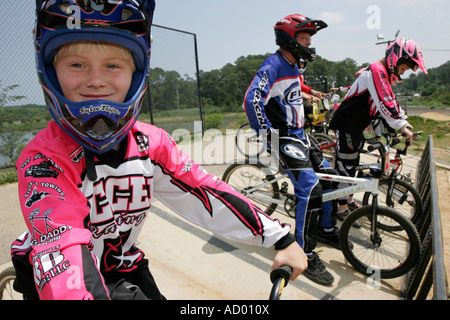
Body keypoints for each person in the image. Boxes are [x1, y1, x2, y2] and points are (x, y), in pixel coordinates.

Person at [10, 0, 307, 300]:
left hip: (121, 265)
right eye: (76, 64)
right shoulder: (43, 160)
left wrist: (279, 237)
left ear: (137, 72)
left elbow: (203, 189)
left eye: (113, 65)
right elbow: (62, 245)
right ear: (50, 70)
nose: (96, 80)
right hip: (59, 275)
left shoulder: (152, 143)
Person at [243, 14, 339, 286]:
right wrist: (267, 134)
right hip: (284, 136)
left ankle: (327, 228)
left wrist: (312, 93)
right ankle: (305, 251)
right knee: (310, 188)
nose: (309, 43)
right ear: (289, 39)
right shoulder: (273, 64)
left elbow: (296, 85)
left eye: (309, 38)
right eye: (305, 38)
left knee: (330, 177)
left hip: (300, 133)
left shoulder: (294, 64)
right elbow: (251, 100)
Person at [329, 38, 427, 218]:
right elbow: (385, 102)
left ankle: (349, 201)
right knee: (346, 166)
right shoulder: (376, 70)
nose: (402, 73)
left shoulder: (382, 73)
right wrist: (401, 125)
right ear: (395, 59)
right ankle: (340, 209)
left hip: (357, 125)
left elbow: (390, 101)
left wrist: (402, 122)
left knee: (354, 164)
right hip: (346, 123)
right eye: (403, 68)